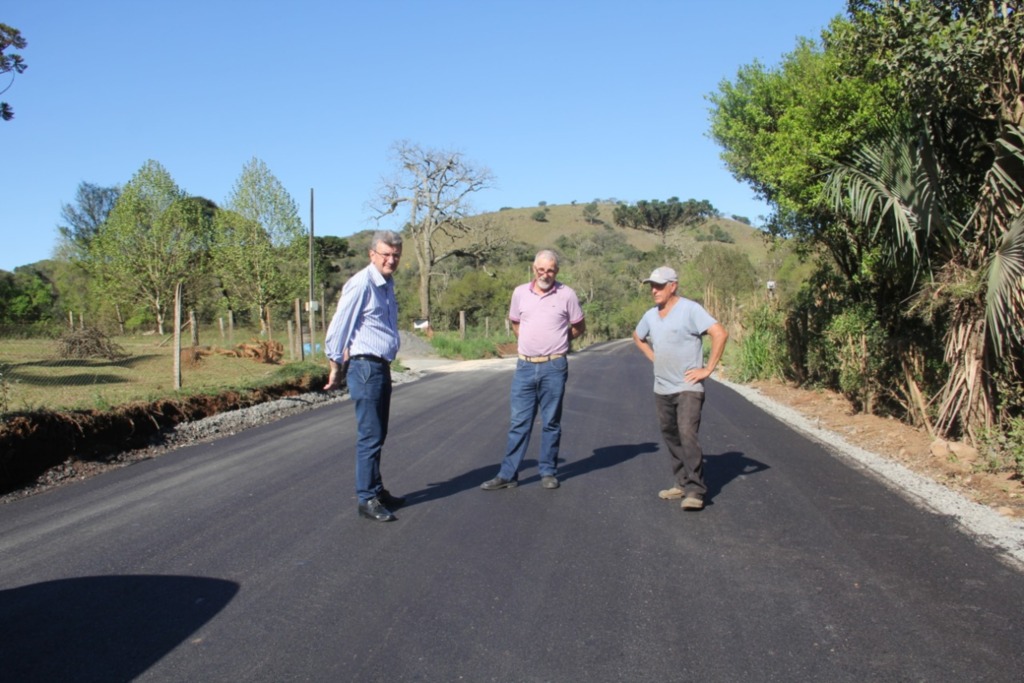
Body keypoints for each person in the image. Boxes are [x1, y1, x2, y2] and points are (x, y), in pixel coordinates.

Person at [481, 250, 586, 491]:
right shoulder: (520, 293)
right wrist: (529, 341)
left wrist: (561, 341)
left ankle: (548, 471)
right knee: (519, 421)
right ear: (533, 268)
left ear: (556, 271)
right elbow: (516, 322)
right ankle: (508, 474)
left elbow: (579, 326)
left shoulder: (567, 294)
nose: (545, 274)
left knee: (550, 421)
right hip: (525, 366)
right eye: (541, 269)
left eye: (550, 270)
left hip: (554, 365)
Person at [323, 230, 405, 523]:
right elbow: (339, 326)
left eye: (396, 254)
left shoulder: (386, 284)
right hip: (364, 368)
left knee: (379, 433)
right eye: (386, 254)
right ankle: (366, 498)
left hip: (380, 366)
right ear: (372, 254)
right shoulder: (361, 284)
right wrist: (335, 365)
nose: (391, 259)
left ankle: (377, 490)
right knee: (370, 435)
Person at [633, 266, 728, 511]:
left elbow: (720, 333)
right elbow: (637, 336)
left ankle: (696, 490)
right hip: (661, 387)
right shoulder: (651, 315)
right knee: (671, 435)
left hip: (688, 386)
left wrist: (707, 369)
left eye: (659, 286)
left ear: (672, 286)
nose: (654, 290)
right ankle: (681, 482)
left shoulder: (690, 309)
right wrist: (652, 356)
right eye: (651, 286)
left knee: (687, 433)